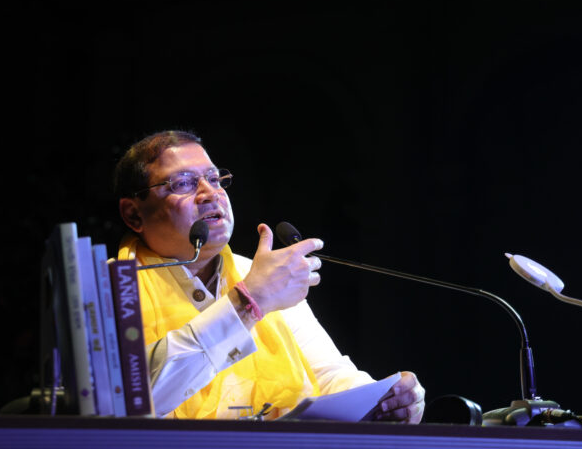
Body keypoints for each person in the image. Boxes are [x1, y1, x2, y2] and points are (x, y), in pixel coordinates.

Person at [114, 129, 425, 421]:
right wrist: (248, 303)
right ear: (133, 214)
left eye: (214, 178)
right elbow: (129, 399)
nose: (210, 193)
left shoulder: (256, 273)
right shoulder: (109, 288)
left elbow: (327, 376)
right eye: (183, 183)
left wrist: (386, 397)